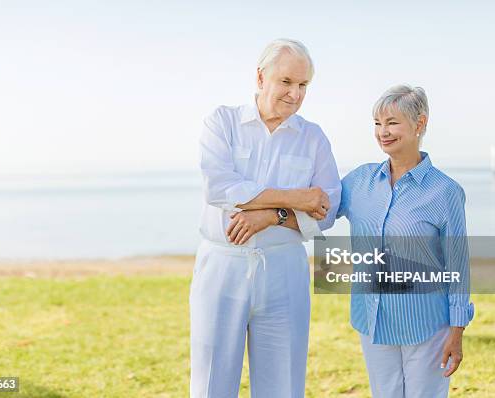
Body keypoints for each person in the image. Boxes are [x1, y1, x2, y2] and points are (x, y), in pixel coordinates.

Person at [190, 38, 341, 397]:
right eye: (286, 82)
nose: (295, 94)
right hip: (222, 266)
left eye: (303, 85)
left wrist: (271, 215)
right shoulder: (222, 122)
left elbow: (328, 208)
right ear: (261, 77)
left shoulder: (313, 138)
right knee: (211, 381)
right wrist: (295, 198)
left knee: (284, 384)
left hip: (284, 269)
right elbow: (220, 188)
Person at [337, 85, 474, 398]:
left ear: (419, 124)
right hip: (372, 317)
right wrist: (271, 213)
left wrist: (457, 331)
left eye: (392, 122)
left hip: (426, 323)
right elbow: (320, 209)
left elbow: (457, 265)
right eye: (377, 123)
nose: (383, 132)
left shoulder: (445, 192)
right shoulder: (359, 181)